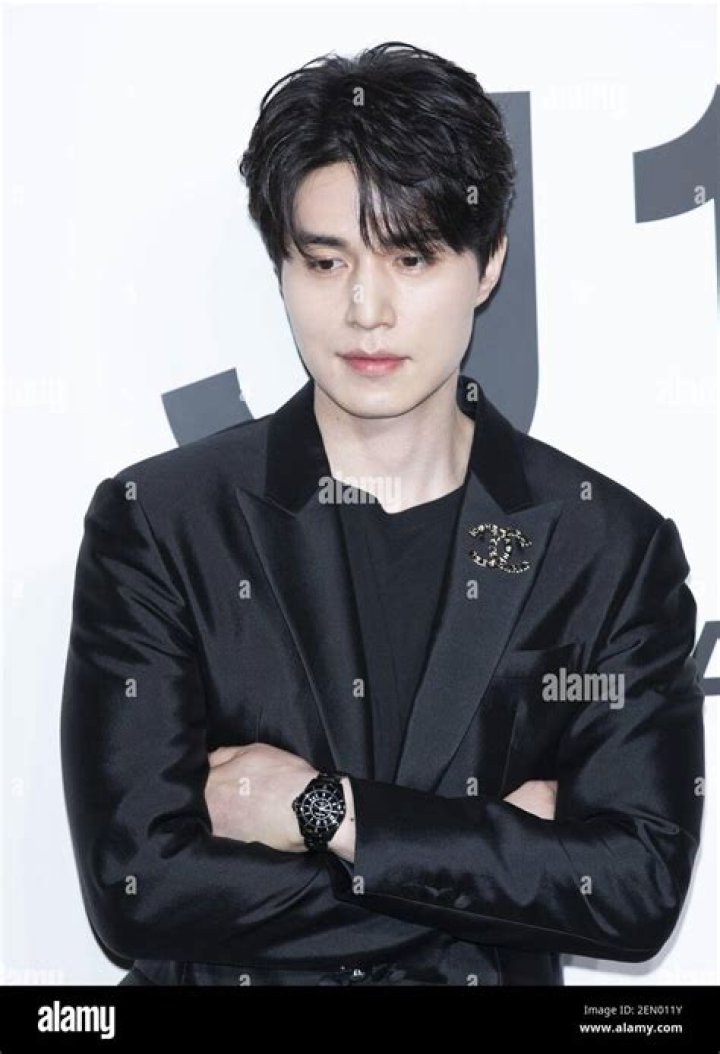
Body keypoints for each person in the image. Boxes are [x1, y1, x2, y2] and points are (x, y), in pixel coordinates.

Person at [60, 41, 705, 987]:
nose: (367, 309)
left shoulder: (605, 548)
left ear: (488, 263)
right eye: (326, 262)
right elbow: (137, 893)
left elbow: (633, 891)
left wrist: (324, 813)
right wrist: (496, 858)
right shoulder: (162, 524)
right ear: (282, 265)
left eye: (412, 257)